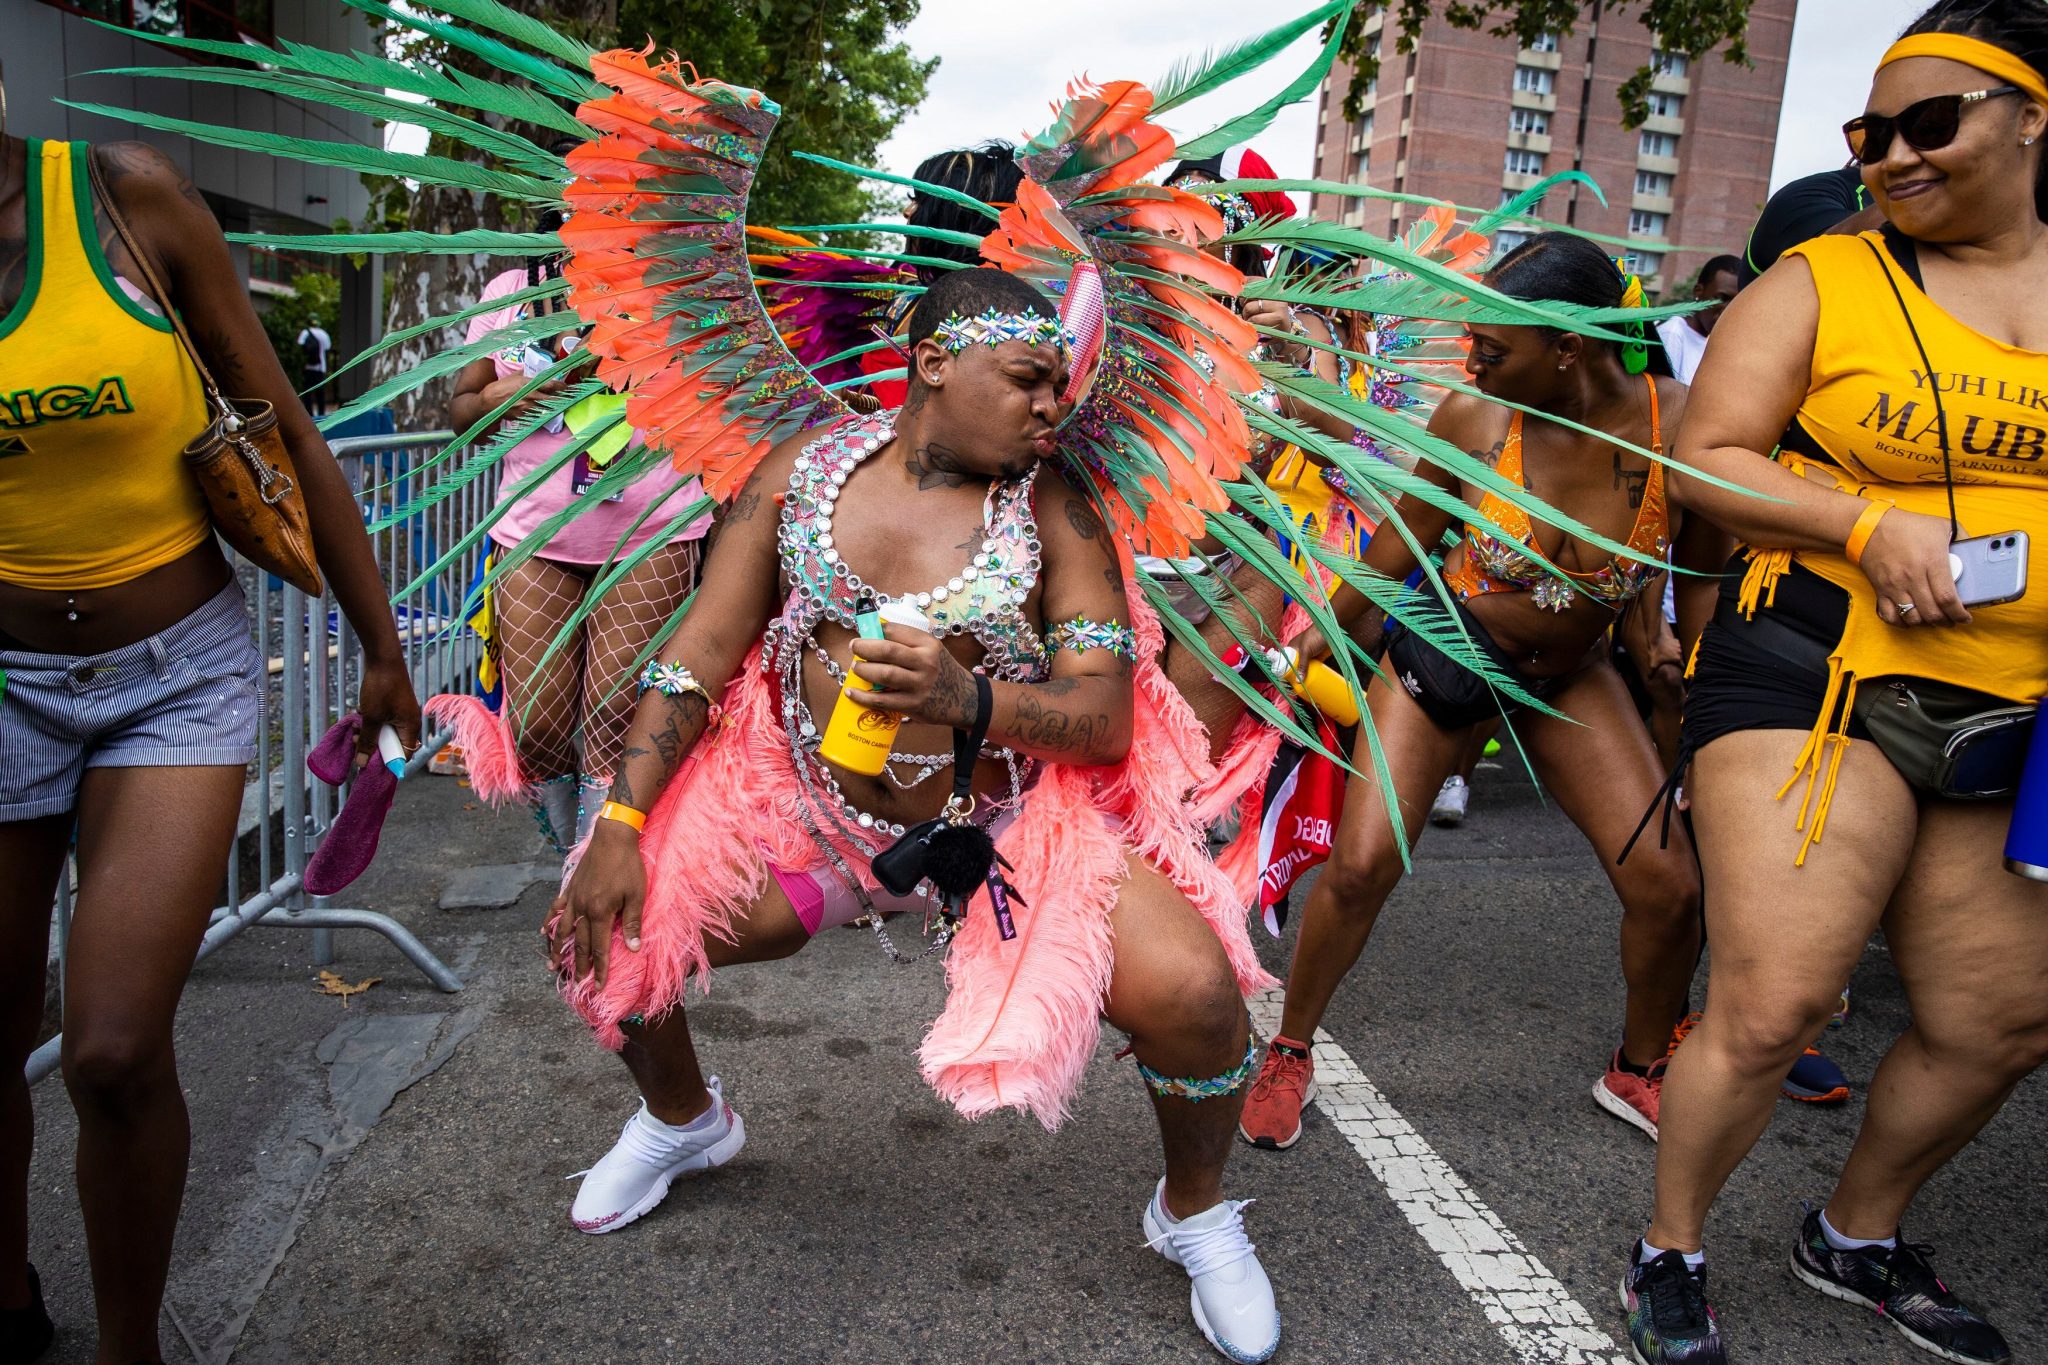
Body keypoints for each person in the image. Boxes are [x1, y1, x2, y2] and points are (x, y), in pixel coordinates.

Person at [547, 267, 1283, 1364]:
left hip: (1004, 829)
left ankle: (1192, 1212)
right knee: (603, 936)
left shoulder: (1057, 510)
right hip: (807, 806)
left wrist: (968, 699)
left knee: (1194, 996)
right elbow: (701, 649)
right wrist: (618, 825)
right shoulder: (800, 473)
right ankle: (683, 1120)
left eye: (1061, 387)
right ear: (934, 363)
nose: (1051, 408)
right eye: (1028, 380)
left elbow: (1105, 717)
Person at [1622, 4, 2048, 1361]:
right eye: (1872, 135)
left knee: (2001, 1020)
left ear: (2031, 119)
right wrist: (1868, 526)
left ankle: (1854, 1232)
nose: (1894, 158)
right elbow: (1706, 462)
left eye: (1932, 125)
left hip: (2018, 715)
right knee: (1777, 999)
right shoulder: (1822, 281)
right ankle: (1669, 1248)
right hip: (1815, 670)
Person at [0, 129, 421, 1363]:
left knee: (114, 1049)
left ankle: (133, 1348)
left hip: (172, 681)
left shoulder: (124, 200)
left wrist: (380, 648)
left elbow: (282, 431)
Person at [1236, 233, 1729, 1152]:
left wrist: (1698, 698)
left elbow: (1698, 579)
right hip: (1446, 651)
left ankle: (1639, 1064)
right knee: (1362, 865)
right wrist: (1323, 637)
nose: (1473, 364)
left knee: (1668, 888)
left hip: (1572, 677)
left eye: (1494, 351)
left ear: (1569, 350)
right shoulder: (1475, 417)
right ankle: (1290, 1048)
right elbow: (1397, 545)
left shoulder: (1681, 424)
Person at [428, 234, 710, 856]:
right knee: (537, 727)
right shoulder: (510, 294)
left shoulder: (679, 288)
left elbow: (723, 402)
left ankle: (588, 879)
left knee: (613, 721)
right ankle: (571, 850)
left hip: (652, 533)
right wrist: (528, 388)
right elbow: (461, 411)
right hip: (536, 534)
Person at [1652, 254, 1740, 385]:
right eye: (1722, 298)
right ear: (1698, 291)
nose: (1728, 309)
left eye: (1736, 302)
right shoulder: (1672, 333)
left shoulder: (1714, 341)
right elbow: (1662, 398)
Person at [295, 320, 332, 415]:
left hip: (309, 367)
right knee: (320, 393)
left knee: (307, 392)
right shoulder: (324, 334)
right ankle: (321, 414)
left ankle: (309, 414)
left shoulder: (306, 332)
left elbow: (300, 344)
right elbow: (328, 348)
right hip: (321, 367)